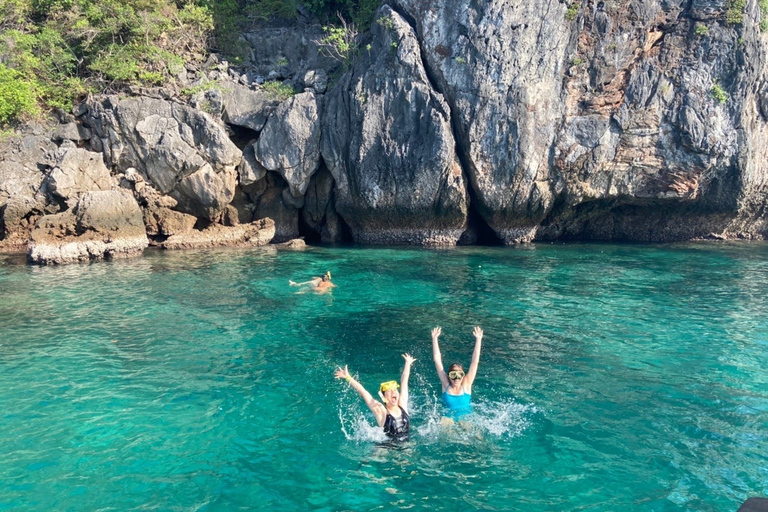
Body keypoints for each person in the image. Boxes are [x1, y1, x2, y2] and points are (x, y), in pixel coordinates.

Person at [334, 354, 416, 440]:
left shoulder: (402, 403)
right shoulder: (381, 411)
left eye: (395, 390)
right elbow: (363, 392)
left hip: (406, 444)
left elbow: (404, 380)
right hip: (388, 447)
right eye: (389, 391)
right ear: (384, 398)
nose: (393, 392)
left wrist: (407, 363)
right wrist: (348, 378)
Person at [431, 326, 483, 421]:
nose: (456, 378)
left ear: (463, 375)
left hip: (466, 417)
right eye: (453, 375)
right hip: (448, 417)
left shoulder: (466, 384)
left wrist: (478, 339)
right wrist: (434, 339)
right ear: (449, 376)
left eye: (460, 375)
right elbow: (437, 360)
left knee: (474, 435)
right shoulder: (445, 383)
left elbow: (475, 362)